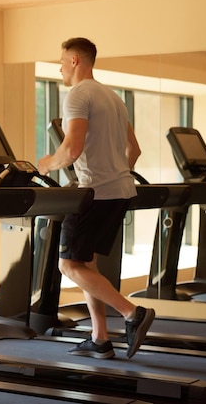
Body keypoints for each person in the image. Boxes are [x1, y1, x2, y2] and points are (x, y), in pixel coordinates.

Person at [37, 37, 154, 360]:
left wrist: (46, 163)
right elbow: (134, 150)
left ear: (75, 61)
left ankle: (133, 313)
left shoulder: (78, 94)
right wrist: (117, 174)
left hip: (95, 192)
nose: (59, 67)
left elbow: (72, 149)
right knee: (87, 262)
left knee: (69, 265)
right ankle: (99, 337)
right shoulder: (114, 97)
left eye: (62, 61)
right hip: (119, 191)